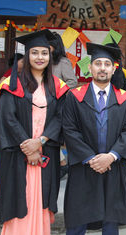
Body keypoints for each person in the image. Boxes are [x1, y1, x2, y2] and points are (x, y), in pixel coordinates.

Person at [0, 29, 69, 235]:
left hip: (46, 152)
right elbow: (7, 118)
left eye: (44, 53)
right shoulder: (13, 83)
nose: (40, 57)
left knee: (42, 199)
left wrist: (41, 141)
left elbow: (61, 117)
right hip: (18, 154)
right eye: (34, 52)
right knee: (21, 198)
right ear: (27, 55)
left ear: (50, 56)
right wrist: (28, 147)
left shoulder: (57, 86)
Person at [63, 42, 126, 235]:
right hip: (83, 166)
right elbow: (69, 130)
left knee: (110, 219)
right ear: (90, 67)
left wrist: (111, 156)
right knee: (78, 216)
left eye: (107, 64)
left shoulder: (125, 99)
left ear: (114, 69)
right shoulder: (74, 96)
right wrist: (91, 158)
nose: (102, 68)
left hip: (112, 166)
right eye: (98, 63)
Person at [49, 31, 78, 178]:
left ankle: (64, 164)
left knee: (58, 136)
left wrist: (57, 92)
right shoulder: (43, 60)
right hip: (43, 105)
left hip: (58, 105)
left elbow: (72, 82)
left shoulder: (62, 62)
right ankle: (61, 163)